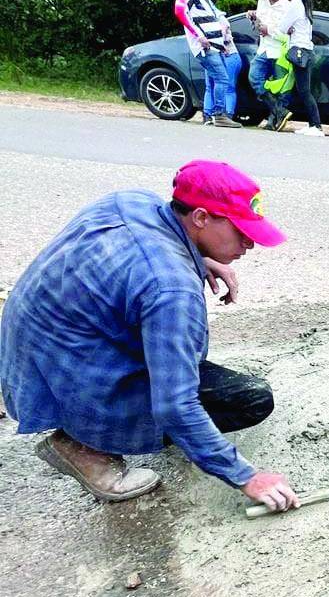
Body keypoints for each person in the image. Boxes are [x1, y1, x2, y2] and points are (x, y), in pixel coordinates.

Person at [0, 161, 300, 512]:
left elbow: (136, 255)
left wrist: (198, 257)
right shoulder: (171, 288)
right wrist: (246, 475)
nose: (250, 242)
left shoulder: (133, 202)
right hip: (69, 376)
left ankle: (85, 424)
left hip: (24, 349)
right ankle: (85, 446)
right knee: (249, 399)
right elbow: (176, 405)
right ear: (201, 218)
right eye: (239, 229)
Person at [174, 0, 241, 128]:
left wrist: (222, 43)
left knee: (216, 80)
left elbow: (217, 19)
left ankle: (213, 115)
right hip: (205, 48)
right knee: (222, 78)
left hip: (214, 47)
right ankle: (219, 115)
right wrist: (199, 36)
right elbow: (179, 11)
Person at [277, 0, 325, 137]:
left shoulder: (295, 5)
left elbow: (282, 28)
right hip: (306, 51)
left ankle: (316, 126)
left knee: (304, 91)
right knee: (304, 90)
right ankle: (312, 125)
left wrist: (289, 29)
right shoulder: (303, 4)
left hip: (300, 51)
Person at [246, 0, 292, 130]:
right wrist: (253, 17)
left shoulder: (288, 6)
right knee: (254, 77)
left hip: (280, 51)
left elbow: (289, 34)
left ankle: (274, 121)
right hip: (264, 49)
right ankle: (279, 111)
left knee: (282, 88)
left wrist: (269, 30)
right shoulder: (262, 0)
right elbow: (260, 21)